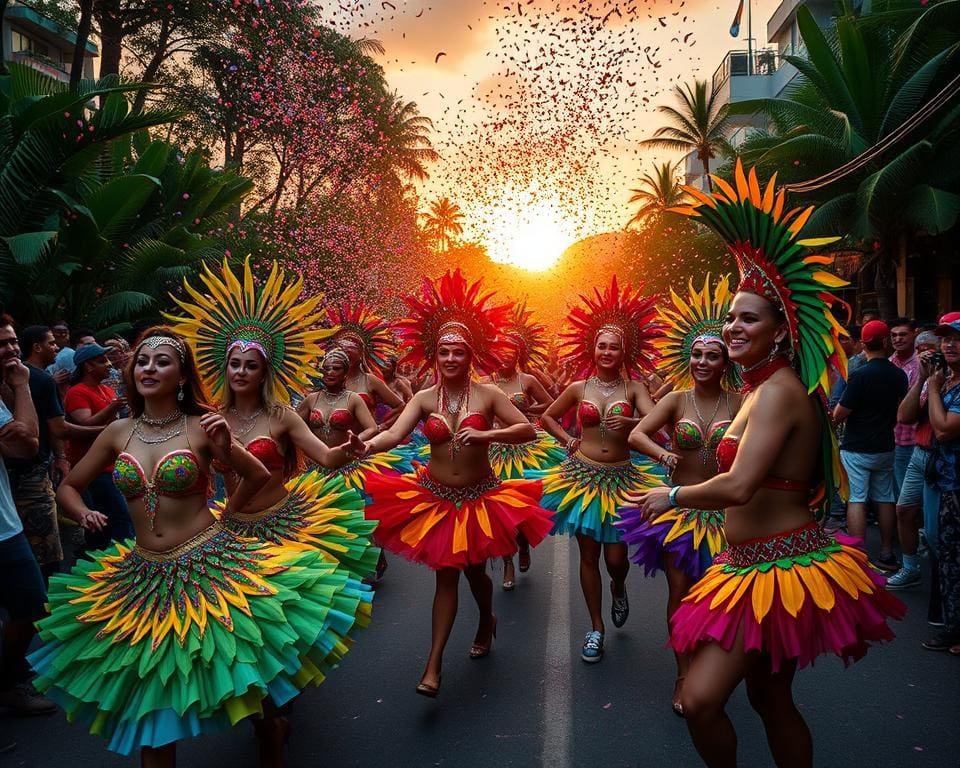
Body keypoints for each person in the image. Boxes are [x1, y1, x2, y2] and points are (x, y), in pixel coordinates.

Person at [636, 163, 905, 768]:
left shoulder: (781, 390)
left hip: (780, 565)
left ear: (781, 330)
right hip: (751, 562)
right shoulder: (762, 390)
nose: (733, 326)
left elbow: (739, 484)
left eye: (748, 318)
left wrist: (670, 498)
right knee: (770, 698)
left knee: (704, 699)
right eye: (730, 317)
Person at [29, 326, 375, 767]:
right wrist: (82, 512)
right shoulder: (117, 432)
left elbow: (257, 474)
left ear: (182, 375)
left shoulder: (203, 425)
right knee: (151, 704)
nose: (149, 368)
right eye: (142, 361)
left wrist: (229, 506)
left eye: (162, 361)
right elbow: (70, 486)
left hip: (209, 564)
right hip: (142, 576)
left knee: (249, 680)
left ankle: (272, 733)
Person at [166, 260, 377, 763]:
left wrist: (350, 448)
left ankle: (274, 716)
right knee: (243, 630)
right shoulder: (203, 419)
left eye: (251, 364)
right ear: (224, 366)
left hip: (284, 526)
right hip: (228, 531)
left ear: (267, 370)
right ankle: (267, 715)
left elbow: (324, 458)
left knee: (283, 629)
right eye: (234, 363)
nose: (241, 371)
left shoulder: (283, 415)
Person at [360, 270, 554, 697]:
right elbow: (394, 435)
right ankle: (433, 666)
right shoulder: (424, 398)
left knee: (474, 574)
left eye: (459, 352)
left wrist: (486, 434)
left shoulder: (487, 396)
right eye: (444, 352)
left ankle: (486, 618)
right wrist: (364, 444)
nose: (450, 358)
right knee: (446, 575)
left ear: (471, 357)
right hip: (435, 498)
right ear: (435, 357)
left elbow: (527, 430)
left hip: (480, 499)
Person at [617, 274, 742, 715]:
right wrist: (662, 453)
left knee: (720, 593)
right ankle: (684, 672)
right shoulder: (676, 399)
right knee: (680, 589)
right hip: (682, 509)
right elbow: (636, 433)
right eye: (697, 354)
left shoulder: (742, 403)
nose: (702, 361)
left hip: (728, 514)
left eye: (712, 355)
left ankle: (713, 666)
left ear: (727, 362)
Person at [536, 277, 665, 663]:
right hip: (583, 480)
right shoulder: (578, 387)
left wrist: (635, 427)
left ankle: (619, 588)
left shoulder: (635, 387)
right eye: (602, 346)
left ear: (624, 352)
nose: (607, 352)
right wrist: (568, 441)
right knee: (588, 557)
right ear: (592, 349)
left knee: (615, 560)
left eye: (614, 347)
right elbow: (547, 417)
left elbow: (653, 422)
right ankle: (596, 627)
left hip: (624, 479)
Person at [5, 326, 101, 581]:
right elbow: (55, 429)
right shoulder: (35, 379)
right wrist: (111, 431)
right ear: (37, 347)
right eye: (50, 343)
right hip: (31, 477)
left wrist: (59, 457)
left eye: (14, 342)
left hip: (23, 473)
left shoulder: (34, 378)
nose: (56, 347)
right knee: (44, 555)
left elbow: (51, 429)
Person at [0, 316, 55, 716]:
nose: (12, 349)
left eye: (13, 341)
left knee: (32, 603)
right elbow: (28, 444)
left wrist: (16, 387)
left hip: (6, 526)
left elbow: (25, 444)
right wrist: (21, 386)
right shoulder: (16, 387)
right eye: (3, 344)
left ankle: (6, 683)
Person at [485, 302, 561, 590]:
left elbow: (550, 405)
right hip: (492, 451)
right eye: (500, 350)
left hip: (523, 451)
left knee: (519, 508)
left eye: (510, 351)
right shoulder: (483, 381)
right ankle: (506, 563)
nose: (504, 355)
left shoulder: (526, 380)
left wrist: (527, 411)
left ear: (518, 354)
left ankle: (523, 543)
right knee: (499, 509)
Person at [833, 320, 908, 571]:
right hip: (885, 445)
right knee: (885, 498)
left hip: (856, 447)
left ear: (863, 343)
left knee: (857, 499)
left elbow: (840, 413)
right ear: (886, 341)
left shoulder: (860, 375)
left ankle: (858, 555)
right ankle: (887, 553)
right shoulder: (897, 374)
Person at [63, 342, 133, 551]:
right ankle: (129, 563)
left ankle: (92, 557)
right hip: (93, 468)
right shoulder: (77, 392)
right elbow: (84, 423)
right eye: (102, 361)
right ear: (88, 366)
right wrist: (113, 410)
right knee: (122, 519)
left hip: (113, 466)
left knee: (102, 522)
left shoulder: (105, 389)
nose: (109, 364)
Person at [887, 330, 941, 589]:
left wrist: (936, 384)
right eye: (923, 352)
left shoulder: (949, 381)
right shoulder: (927, 377)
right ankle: (910, 568)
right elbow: (904, 416)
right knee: (904, 509)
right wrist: (922, 378)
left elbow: (942, 427)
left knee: (934, 529)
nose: (928, 356)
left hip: (943, 457)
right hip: (920, 452)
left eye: (932, 349)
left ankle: (945, 584)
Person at [921, 312, 960, 652]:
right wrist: (927, 381)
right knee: (946, 554)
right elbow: (906, 414)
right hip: (945, 482)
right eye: (945, 337)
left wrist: (932, 388)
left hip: (956, 484)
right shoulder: (945, 379)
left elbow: (944, 428)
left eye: (956, 338)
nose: (949, 344)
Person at [321, 303, 403, 422]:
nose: (347, 348)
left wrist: (381, 427)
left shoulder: (370, 380)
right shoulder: (325, 379)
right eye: (341, 344)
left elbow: (400, 406)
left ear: (363, 353)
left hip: (364, 439)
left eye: (353, 344)